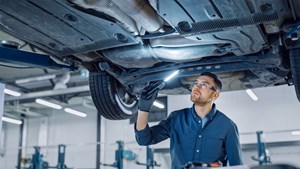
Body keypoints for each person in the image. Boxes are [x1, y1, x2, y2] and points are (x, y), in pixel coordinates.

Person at [135, 72, 243, 169]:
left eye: (204, 85)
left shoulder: (227, 126)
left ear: (215, 95)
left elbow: (237, 166)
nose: (196, 87)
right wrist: (143, 109)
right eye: (196, 83)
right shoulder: (176, 118)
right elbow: (144, 139)